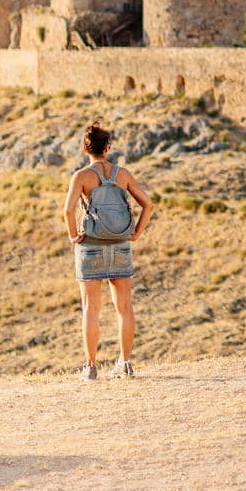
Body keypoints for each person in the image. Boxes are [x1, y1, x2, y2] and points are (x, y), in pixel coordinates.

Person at [63, 122, 155, 381]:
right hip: (120, 245)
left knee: (91, 309)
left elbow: (68, 210)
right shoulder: (122, 174)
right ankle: (125, 364)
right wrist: (136, 233)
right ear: (108, 147)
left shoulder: (81, 177)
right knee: (124, 307)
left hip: (90, 244)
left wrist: (73, 236)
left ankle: (91, 367)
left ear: (85, 148)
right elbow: (148, 204)